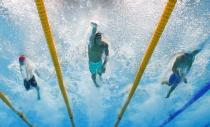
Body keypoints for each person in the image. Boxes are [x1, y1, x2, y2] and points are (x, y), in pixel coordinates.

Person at [88, 22, 109, 87]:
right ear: (95, 39)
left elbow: (106, 56)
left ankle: (100, 77)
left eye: (99, 38)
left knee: (101, 72)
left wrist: (104, 65)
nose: (98, 40)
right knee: (93, 74)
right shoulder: (92, 44)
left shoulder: (104, 45)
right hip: (92, 63)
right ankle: (95, 83)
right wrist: (95, 28)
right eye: (97, 39)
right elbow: (92, 36)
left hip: (99, 61)